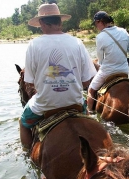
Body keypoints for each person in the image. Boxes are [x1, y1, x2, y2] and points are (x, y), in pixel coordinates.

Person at [19, 3, 97, 148]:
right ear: (60, 21)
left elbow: (29, 83)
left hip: (44, 106)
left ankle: (27, 153)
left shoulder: (34, 45)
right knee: (91, 122)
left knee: (23, 123)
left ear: (42, 22)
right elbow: (87, 83)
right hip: (76, 104)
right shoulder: (77, 42)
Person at [87, 11, 129, 113]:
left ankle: (90, 113)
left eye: (96, 24)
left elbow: (100, 60)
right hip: (124, 70)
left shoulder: (100, 37)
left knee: (91, 90)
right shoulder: (123, 31)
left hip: (107, 71)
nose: (96, 27)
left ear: (100, 22)